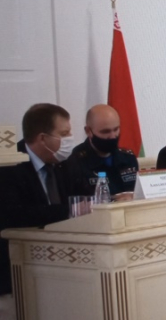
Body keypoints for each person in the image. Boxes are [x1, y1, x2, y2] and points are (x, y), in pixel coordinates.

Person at [0, 104, 74, 316]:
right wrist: (69, 211)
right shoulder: (9, 167)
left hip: (57, 272)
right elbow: (14, 215)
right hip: (14, 277)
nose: (70, 139)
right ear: (43, 138)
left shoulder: (63, 163)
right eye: (64, 134)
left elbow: (80, 198)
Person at [66, 105, 138, 200]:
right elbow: (74, 203)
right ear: (88, 131)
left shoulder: (128, 158)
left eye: (116, 129)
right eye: (105, 132)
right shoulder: (75, 162)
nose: (113, 136)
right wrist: (114, 200)